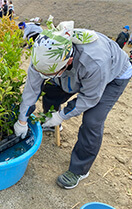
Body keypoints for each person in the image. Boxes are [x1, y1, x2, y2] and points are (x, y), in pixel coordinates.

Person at [13, 19, 132, 189]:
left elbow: (89, 98)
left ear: (67, 61)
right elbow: (32, 88)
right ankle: (52, 124)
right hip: (76, 71)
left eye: (51, 73)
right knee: (51, 92)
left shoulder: (94, 62)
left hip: (114, 75)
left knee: (92, 121)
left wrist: (61, 115)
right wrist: (22, 119)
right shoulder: (43, 52)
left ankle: (79, 169)